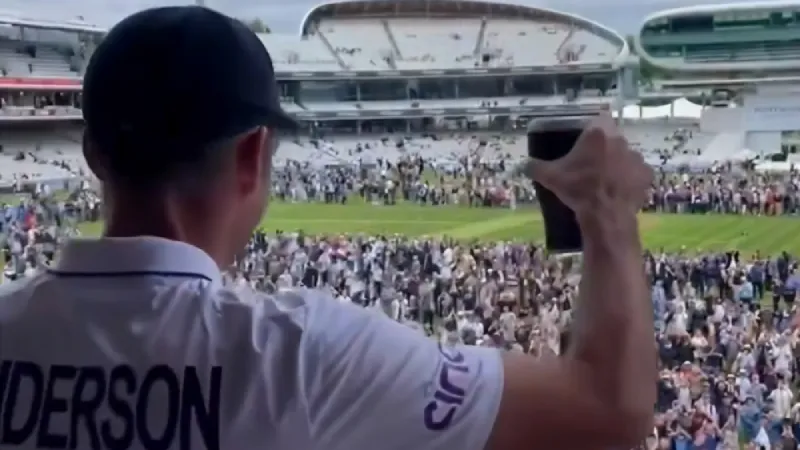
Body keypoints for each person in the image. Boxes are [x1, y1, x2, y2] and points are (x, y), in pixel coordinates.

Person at [0, 6, 655, 450]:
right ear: (253, 155)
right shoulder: (304, 354)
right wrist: (609, 215)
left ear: (92, 154)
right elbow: (605, 412)